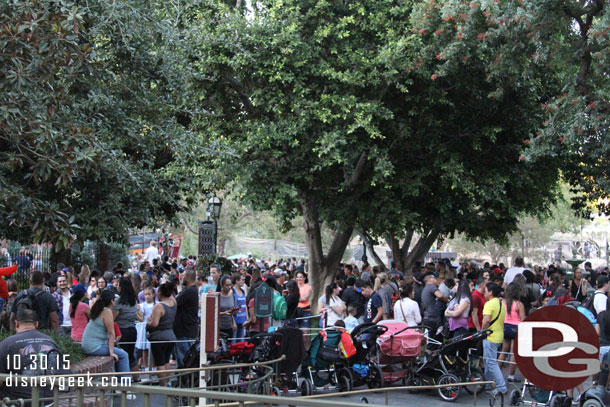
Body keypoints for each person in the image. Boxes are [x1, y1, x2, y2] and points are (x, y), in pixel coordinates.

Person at [0, 308, 62, 400]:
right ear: (36, 324)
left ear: (16, 323)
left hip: (18, 402)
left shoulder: (6, 344)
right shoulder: (51, 341)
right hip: (49, 401)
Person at [81, 290, 130, 375]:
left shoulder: (100, 309)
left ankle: (120, 381)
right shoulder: (107, 311)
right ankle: (125, 384)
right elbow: (111, 333)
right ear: (112, 300)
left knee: (119, 354)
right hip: (94, 347)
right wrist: (111, 352)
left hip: (89, 345)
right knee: (124, 355)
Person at [146, 281, 177, 386]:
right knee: (166, 360)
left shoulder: (158, 307)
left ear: (160, 293)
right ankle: (167, 382)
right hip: (171, 336)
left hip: (159, 337)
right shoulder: (173, 303)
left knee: (159, 361)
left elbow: (155, 324)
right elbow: (172, 296)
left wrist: (148, 323)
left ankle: (162, 384)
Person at [481, 282, 507, 396]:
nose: (484, 292)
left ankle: (501, 386)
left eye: (486, 290)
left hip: (490, 336)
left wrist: (482, 331)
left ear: (490, 292)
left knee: (491, 362)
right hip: (499, 335)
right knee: (488, 361)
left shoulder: (489, 304)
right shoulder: (501, 303)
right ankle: (487, 383)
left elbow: (486, 320)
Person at [498, 282, 525, 382]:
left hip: (505, 327)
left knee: (503, 351)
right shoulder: (519, 304)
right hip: (515, 328)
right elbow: (522, 319)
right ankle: (511, 376)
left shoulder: (503, 302)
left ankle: (497, 375)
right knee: (514, 353)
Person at [173, 270, 199, 367]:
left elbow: (174, 301)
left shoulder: (189, 291)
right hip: (184, 330)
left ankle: (185, 379)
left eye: (182, 276)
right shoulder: (188, 290)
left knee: (184, 359)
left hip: (185, 331)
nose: (181, 278)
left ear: (187, 277)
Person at [113, 277, 139, 373]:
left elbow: (112, 317)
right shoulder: (134, 300)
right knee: (131, 355)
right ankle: (136, 378)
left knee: (122, 356)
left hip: (122, 331)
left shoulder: (119, 301)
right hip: (132, 330)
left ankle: (124, 380)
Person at [421, 274, 448, 338]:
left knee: (431, 339)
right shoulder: (432, 286)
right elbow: (440, 295)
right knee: (437, 339)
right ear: (430, 279)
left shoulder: (425, 288)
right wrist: (447, 300)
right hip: (434, 317)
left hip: (427, 317)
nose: (436, 280)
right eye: (434, 278)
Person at [136, 287, 155, 371]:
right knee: (144, 348)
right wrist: (137, 311)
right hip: (144, 327)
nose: (147, 296)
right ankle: (146, 365)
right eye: (145, 294)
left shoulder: (156, 304)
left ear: (153, 295)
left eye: (149, 294)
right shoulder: (142, 305)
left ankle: (153, 365)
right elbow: (141, 318)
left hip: (153, 326)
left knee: (152, 348)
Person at [217, 275, 237, 339]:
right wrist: (223, 313)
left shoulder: (232, 295)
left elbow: (232, 312)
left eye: (230, 285)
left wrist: (234, 322)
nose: (229, 287)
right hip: (219, 326)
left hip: (229, 326)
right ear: (222, 285)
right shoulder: (218, 296)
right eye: (227, 285)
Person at [232, 273, 248, 342]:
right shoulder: (232, 291)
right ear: (236, 281)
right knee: (233, 340)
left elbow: (245, 305)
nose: (243, 281)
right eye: (242, 280)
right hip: (235, 320)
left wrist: (247, 317)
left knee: (241, 341)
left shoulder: (243, 291)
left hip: (242, 320)